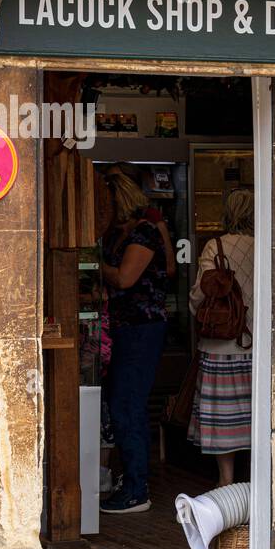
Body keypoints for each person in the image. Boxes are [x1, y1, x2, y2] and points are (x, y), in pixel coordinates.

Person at [99, 172, 172, 513]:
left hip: (141, 329)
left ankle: (136, 488)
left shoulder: (143, 232)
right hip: (125, 328)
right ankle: (131, 479)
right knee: (123, 404)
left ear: (118, 199)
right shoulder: (123, 233)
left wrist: (96, 266)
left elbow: (125, 278)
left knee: (127, 403)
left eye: (105, 201)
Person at [188, 188, 255, 487]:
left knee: (222, 418)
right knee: (257, 415)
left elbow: (199, 295)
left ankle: (226, 479)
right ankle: (257, 475)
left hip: (221, 344)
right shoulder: (268, 244)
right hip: (257, 344)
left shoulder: (214, 247)